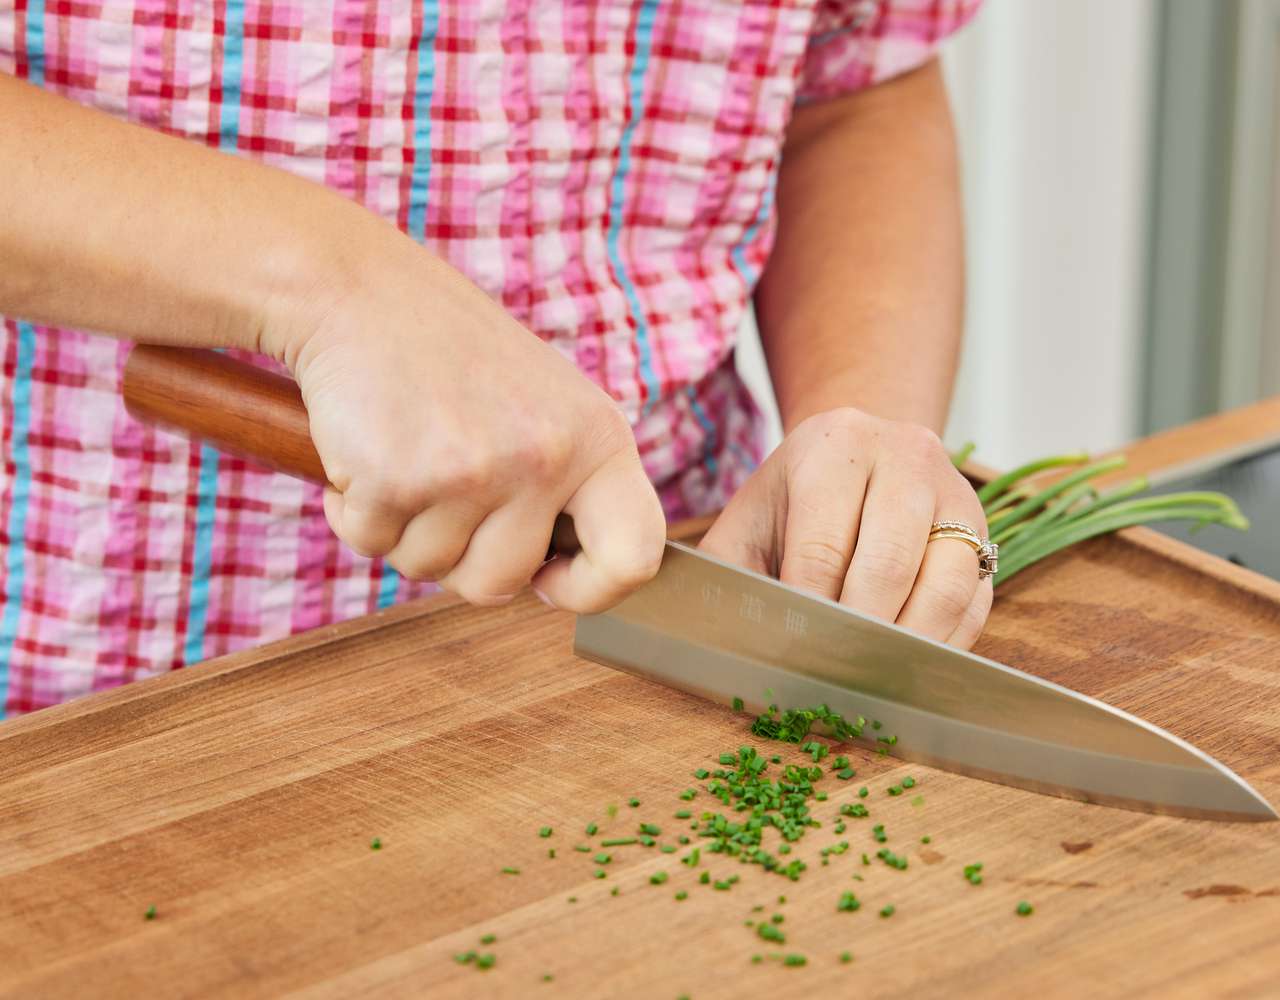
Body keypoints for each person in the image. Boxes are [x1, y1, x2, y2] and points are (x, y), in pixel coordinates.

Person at [0, 0, 992, 718]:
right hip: (81, 701)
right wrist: (326, 279)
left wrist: (858, 427)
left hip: (637, 662)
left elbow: (854, 85)